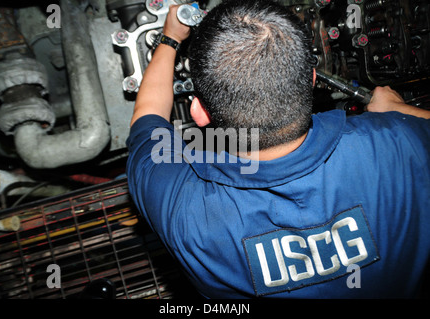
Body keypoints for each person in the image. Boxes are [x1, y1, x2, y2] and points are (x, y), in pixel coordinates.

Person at [126, 0, 429, 298]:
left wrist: (170, 38)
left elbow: (148, 115)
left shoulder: (182, 210)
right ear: (311, 80)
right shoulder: (402, 143)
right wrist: (401, 111)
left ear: (199, 114)